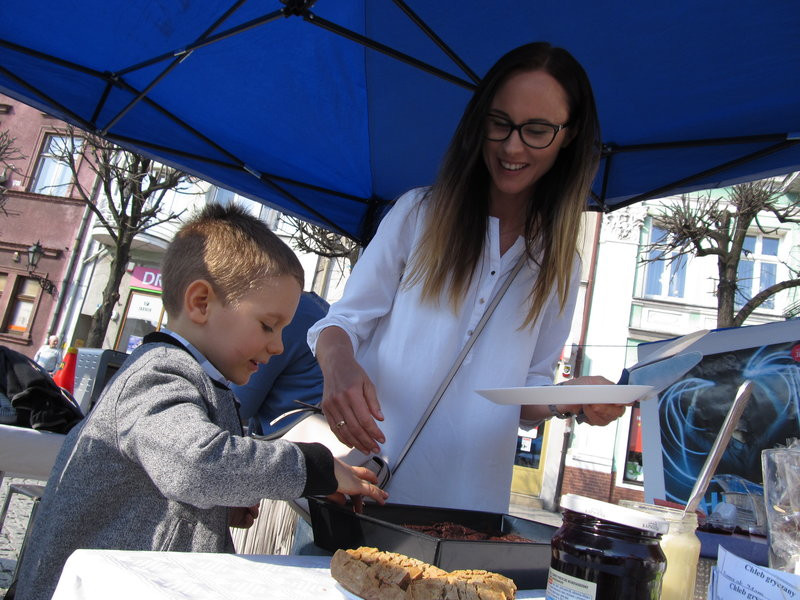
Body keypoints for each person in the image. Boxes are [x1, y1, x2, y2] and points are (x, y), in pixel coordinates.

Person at [308, 42, 626, 514]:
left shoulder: (560, 265)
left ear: (569, 136)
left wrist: (571, 400)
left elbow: (527, 394)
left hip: (470, 509)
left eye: (537, 130)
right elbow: (344, 321)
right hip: (364, 491)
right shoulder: (419, 214)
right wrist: (338, 365)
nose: (512, 146)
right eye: (500, 123)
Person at [14, 203, 387, 600]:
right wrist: (314, 466)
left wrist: (219, 505)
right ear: (200, 303)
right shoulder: (158, 374)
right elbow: (193, 463)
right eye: (267, 325)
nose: (278, 346)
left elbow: (168, 479)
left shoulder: (195, 380)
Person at [233, 291, 329, 437]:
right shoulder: (316, 307)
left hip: (290, 442)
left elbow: (238, 405)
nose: (277, 347)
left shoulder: (289, 310)